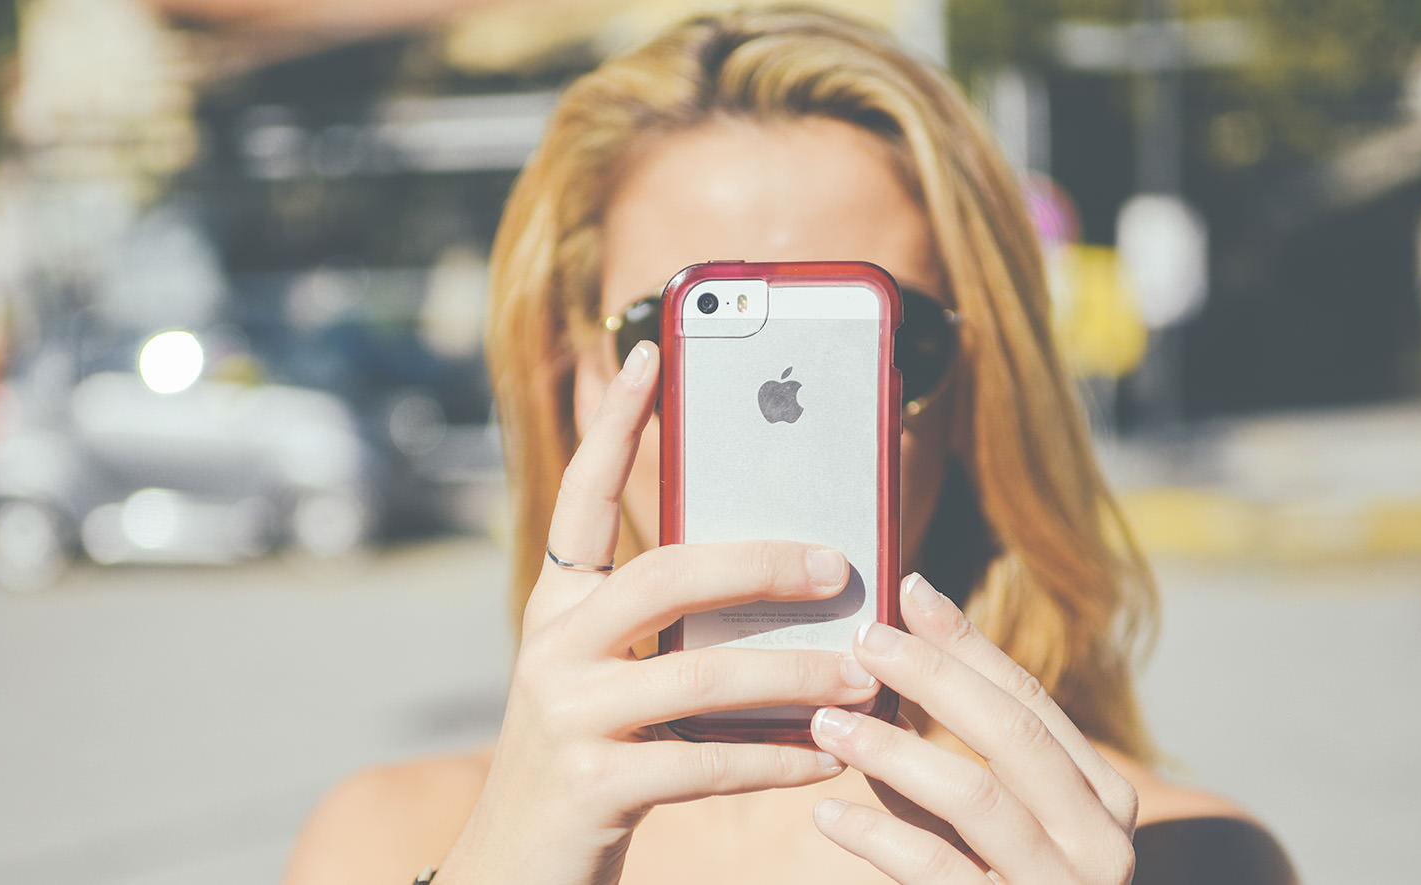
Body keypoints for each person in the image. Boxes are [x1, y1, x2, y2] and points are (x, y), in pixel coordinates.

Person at [286, 7, 1294, 884]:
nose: (782, 415)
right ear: (577, 378)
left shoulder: (1178, 858)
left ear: (976, 397)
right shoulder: (385, 844)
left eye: (873, 338)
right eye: (682, 334)